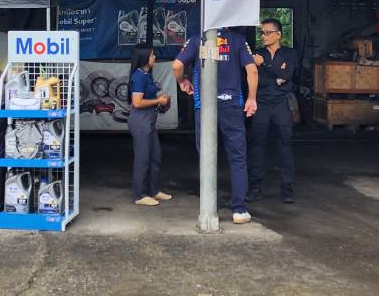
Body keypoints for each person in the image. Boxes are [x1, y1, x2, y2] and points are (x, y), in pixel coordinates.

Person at [172, 28, 258, 224]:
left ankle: (208, 206)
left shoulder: (197, 39)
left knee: (205, 156)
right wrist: (252, 98)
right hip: (232, 106)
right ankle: (239, 210)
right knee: (237, 158)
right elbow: (252, 70)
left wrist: (182, 81)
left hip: (204, 106)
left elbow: (177, 65)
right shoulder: (238, 40)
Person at [249, 18, 298, 204]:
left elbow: (286, 75)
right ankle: (255, 187)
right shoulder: (256, 54)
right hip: (261, 103)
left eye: (267, 32)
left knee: (284, 144)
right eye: (262, 33)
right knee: (257, 145)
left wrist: (264, 65)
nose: (263, 36)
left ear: (278, 34)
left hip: (281, 104)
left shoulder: (290, 53)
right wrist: (275, 78)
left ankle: (287, 188)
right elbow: (255, 79)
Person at [127, 45, 171, 207]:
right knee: (143, 158)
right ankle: (139, 195)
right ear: (145, 57)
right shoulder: (138, 76)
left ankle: (153, 190)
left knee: (155, 156)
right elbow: (137, 102)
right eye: (152, 55)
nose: (155, 58)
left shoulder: (147, 75)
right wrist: (158, 100)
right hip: (140, 121)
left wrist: (160, 100)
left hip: (149, 120)